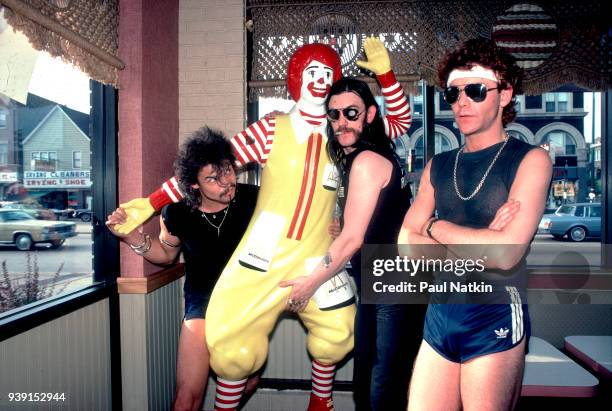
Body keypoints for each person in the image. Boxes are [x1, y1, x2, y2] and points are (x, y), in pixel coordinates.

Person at [112, 38, 411, 411]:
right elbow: (210, 163)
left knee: (339, 331)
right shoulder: (272, 128)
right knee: (231, 342)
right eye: (311, 72)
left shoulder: (342, 139)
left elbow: (398, 122)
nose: (318, 80)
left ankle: (321, 401)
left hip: (318, 258)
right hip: (264, 256)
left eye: (326, 73)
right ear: (296, 77)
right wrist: (152, 203)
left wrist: (386, 75)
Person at [398, 38, 552, 410]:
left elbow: (505, 254)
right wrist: (482, 241)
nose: (461, 101)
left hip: (494, 314)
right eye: (453, 93)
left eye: (476, 90)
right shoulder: (439, 164)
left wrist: (435, 227)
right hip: (439, 314)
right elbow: (405, 245)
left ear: (504, 94)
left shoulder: (531, 159)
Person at [279, 76, 422, 410]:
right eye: (335, 114)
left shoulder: (367, 161)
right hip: (383, 282)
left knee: (381, 391)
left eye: (351, 113)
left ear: (370, 115)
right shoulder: (361, 158)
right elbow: (370, 223)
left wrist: (308, 285)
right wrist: (341, 225)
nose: (342, 122)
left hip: (396, 284)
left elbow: (353, 239)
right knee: (371, 387)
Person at [106, 127, 260, 411]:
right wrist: (130, 236)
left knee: (248, 383)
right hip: (202, 304)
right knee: (186, 400)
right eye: (213, 178)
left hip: (248, 303)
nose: (227, 182)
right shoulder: (177, 213)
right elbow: (165, 255)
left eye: (227, 170)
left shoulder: (254, 199)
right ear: (194, 185)